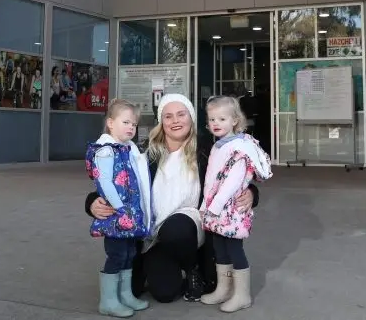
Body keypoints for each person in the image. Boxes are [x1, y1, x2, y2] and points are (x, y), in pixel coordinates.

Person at [84, 94, 261, 304]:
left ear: (191, 117)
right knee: (163, 292)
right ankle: (156, 265)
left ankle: (193, 268)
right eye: (168, 116)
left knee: (176, 229)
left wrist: (251, 193)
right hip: (153, 231)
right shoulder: (144, 152)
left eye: (181, 114)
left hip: (190, 225)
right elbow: (113, 178)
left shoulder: (208, 150)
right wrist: (92, 201)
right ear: (162, 122)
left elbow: (236, 175)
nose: (175, 121)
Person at [199, 96, 273, 312]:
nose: (216, 123)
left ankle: (242, 295)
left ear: (235, 120)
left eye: (222, 119)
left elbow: (231, 183)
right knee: (219, 248)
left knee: (234, 249)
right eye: (212, 119)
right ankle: (224, 288)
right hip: (216, 209)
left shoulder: (239, 148)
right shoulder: (219, 146)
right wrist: (205, 205)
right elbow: (210, 181)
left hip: (230, 209)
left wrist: (213, 207)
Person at [85, 99, 153, 317]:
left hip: (129, 214)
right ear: (110, 123)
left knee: (130, 253)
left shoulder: (128, 149)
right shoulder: (106, 150)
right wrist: (120, 208)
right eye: (125, 122)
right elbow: (105, 182)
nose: (131, 127)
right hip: (116, 215)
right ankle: (108, 300)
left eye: (134, 124)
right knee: (116, 254)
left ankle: (125, 295)